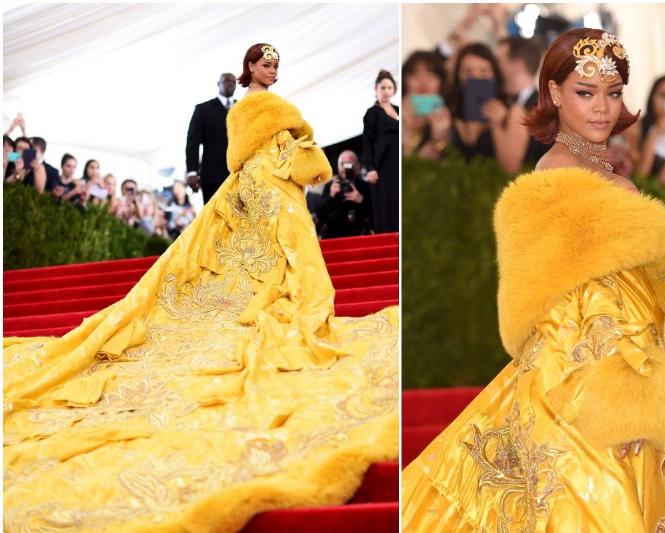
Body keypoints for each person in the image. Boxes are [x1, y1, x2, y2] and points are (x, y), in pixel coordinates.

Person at [4, 42, 398, 532]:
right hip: (266, 192)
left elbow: (256, 158)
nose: (273, 70)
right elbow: (294, 161)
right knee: (267, 264)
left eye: (277, 65)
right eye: (266, 64)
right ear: (249, 67)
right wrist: (302, 146)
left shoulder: (250, 110)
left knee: (262, 263)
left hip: (259, 190)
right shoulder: (260, 110)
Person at [403, 28, 665, 532]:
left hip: (635, 380)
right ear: (554, 92)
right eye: (585, 92)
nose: (602, 108)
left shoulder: (615, 179)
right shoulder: (557, 174)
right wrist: (625, 402)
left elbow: (648, 293)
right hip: (590, 392)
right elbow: (571, 313)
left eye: (613, 93)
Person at [493, 36, 551, 173]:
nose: (495, 67)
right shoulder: (500, 102)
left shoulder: (545, 110)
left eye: (499, 61)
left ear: (517, 65)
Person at [448, 43, 507, 162]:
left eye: (483, 71)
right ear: (458, 75)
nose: (475, 77)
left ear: (494, 75)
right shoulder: (447, 112)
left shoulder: (506, 113)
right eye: (467, 71)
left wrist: (500, 125)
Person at [185, 72, 237, 203]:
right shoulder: (203, 109)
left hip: (238, 174)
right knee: (213, 213)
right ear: (219, 84)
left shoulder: (242, 108)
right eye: (226, 81)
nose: (230, 84)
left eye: (233, 82)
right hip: (211, 175)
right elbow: (193, 142)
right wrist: (192, 172)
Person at [362, 69, 399, 233]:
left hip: (398, 164)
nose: (386, 91)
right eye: (383, 87)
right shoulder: (372, 113)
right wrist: (370, 167)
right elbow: (367, 141)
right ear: (376, 89)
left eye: (389, 88)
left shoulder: (398, 109)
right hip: (382, 166)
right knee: (386, 204)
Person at [401, 51, 452, 159]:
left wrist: (438, 140)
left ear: (441, 82)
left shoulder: (447, 118)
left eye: (431, 76)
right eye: (415, 75)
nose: (423, 82)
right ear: (405, 80)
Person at [316, 150, 373, 238]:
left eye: (349, 163)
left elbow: (374, 214)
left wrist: (361, 200)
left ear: (358, 165)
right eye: (342, 164)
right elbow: (319, 213)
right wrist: (331, 196)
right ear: (338, 167)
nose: (346, 167)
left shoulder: (364, 185)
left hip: (357, 235)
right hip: (334, 235)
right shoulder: (332, 185)